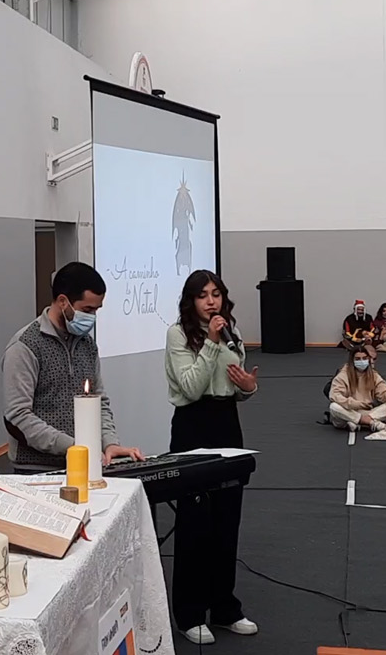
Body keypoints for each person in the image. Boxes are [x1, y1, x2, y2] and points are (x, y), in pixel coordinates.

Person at [164, 269, 260, 645]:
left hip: (226, 424)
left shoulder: (230, 330)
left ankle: (224, 608)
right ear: (191, 300)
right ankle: (189, 614)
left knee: (226, 520)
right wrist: (211, 343)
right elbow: (190, 387)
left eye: (216, 294)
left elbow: (235, 384)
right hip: (193, 426)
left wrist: (249, 388)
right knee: (195, 524)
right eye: (203, 295)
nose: (211, 301)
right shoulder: (178, 334)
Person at [3, 261, 145, 469]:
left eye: (96, 310)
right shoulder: (25, 346)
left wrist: (110, 443)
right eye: (87, 309)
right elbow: (18, 417)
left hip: (86, 465)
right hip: (37, 470)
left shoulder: (87, 344)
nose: (92, 317)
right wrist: (72, 446)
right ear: (63, 301)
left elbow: (99, 402)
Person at [328, 346, 386, 429]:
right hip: (349, 411)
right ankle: (369, 422)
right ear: (352, 361)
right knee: (334, 407)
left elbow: (385, 391)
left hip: (367, 412)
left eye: (364, 358)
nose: (362, 361)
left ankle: (358, 422)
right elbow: (335, 395)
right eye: (358, 359)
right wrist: (354, 404)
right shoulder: (343, 375)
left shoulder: (374, 375)